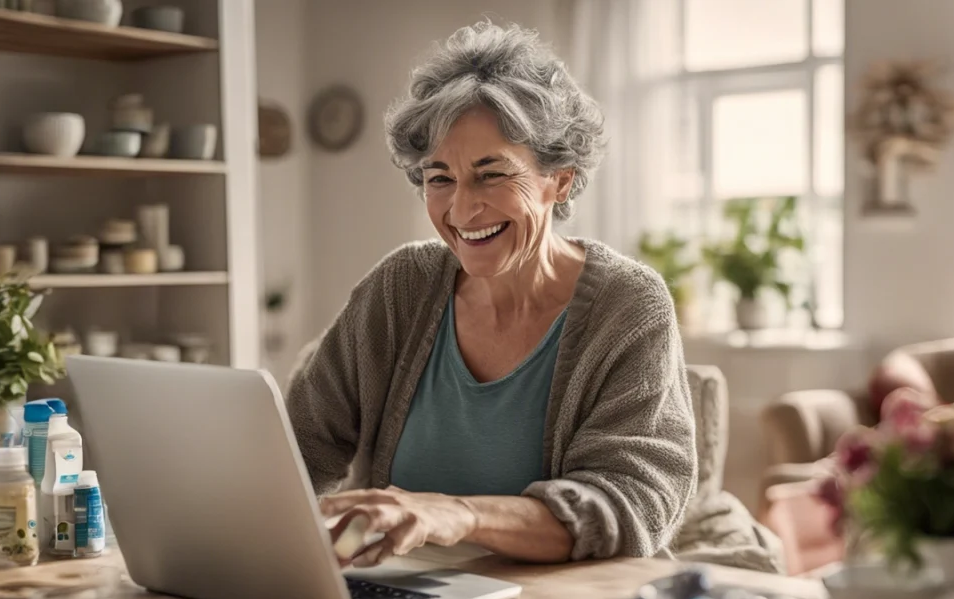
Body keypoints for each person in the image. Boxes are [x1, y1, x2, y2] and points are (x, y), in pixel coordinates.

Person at [287, 21, 696, 568]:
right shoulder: (401, 286)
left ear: (561, 180)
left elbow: (630, 504)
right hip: (405, 597)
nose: (460, 211)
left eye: (491, 174)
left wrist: (459, 515)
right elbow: (300, 446)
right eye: (439, 179)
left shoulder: (628, 305)